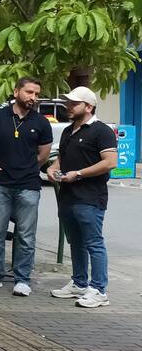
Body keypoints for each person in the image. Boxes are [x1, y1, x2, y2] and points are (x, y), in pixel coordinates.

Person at [0, 76, 53, 295]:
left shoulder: (41, 122)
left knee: (25, 235)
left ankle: (23, 279)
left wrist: (27, 167)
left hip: (28, 185)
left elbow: (44, 154)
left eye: (36, 94)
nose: (33, 97)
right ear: (16, 92)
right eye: (29, 92)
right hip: (0, 183)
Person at [49, 87, 117, 308]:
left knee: (93, 243)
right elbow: (62, 157)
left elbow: (110, 162)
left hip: (90, 197)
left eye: (74, 103)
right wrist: (53, 167)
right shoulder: (68, 131)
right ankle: (79, 283)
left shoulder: (101, 131)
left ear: (89, 107)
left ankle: (99, 290)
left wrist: (78, 174)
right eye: (68, 102)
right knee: (76, 242)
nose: (68, 107)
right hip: (68, 196)